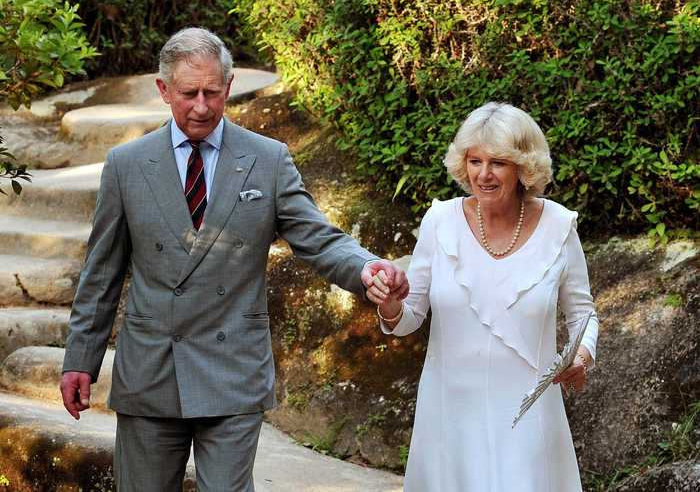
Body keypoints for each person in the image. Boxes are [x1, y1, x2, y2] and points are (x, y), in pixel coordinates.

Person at [59, 27, 408, 492]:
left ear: (229, 86)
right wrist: (80, 358)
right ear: (163, 90)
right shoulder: (126, 164)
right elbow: (101, 273)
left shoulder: (267, 159)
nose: (201, 106)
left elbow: (319, 238)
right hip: (151, 369)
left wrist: (365, 268)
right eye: (188, 93)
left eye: (212, 92)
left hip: (233, 368)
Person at [367, 102, 599, 492]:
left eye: (498, 163)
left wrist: (581, 355)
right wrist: (389, 303)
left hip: (528, 419)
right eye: (475, 161)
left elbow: (583, 313)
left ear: (524, 168)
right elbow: (408, 317)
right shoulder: (440, 222)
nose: (484, 174)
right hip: (449, 418)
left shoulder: (559, 226)